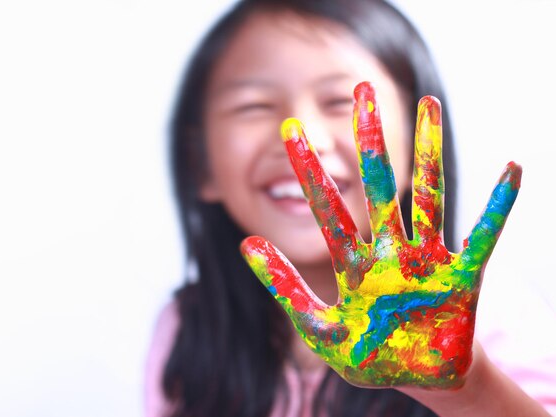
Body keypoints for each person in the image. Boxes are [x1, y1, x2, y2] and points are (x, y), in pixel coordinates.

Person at [145, 0, 556, 416]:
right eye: (253, 106)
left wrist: (467, 391)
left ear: (417, 144)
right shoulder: (189, 329)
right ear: (199, 163)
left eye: (340, 101)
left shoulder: (495, 313)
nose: (305, 136)